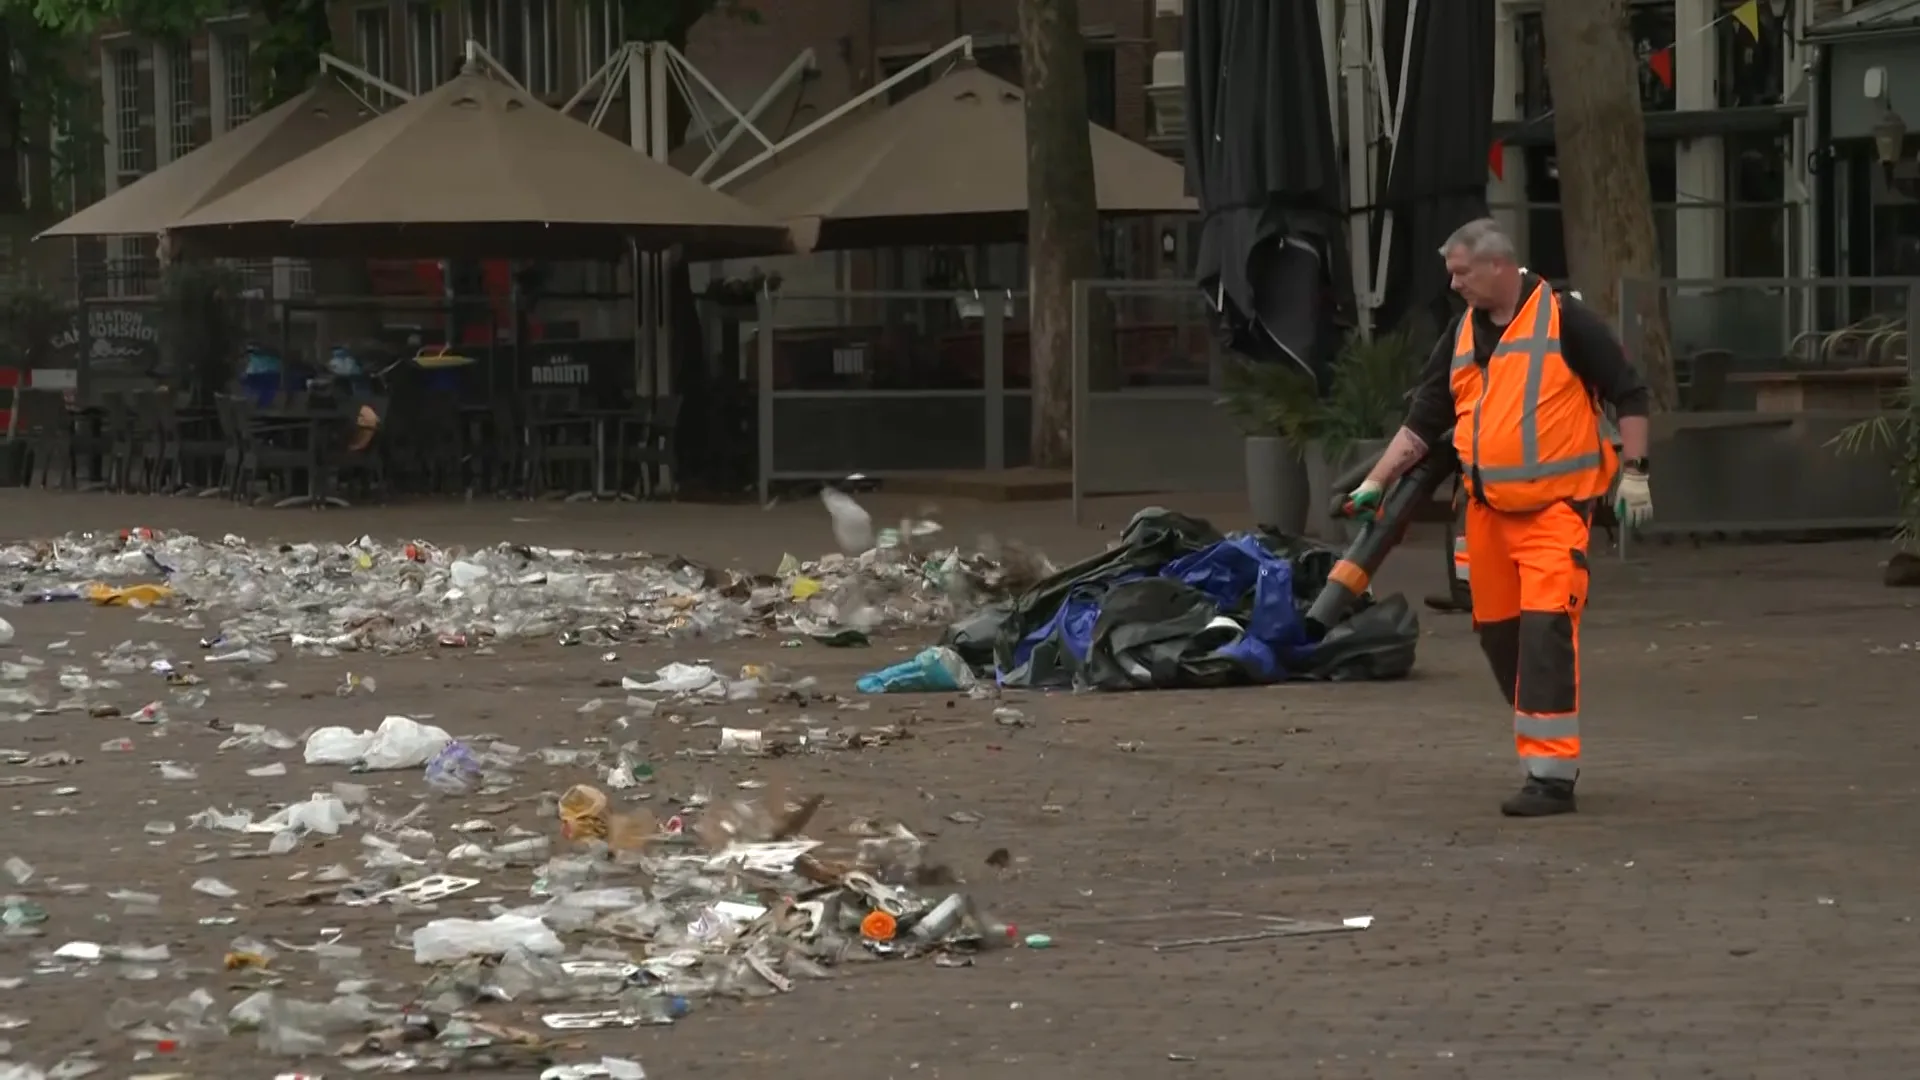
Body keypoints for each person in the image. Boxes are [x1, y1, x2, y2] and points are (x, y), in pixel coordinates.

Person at [1335, 218, 1653, 817]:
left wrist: (1635, 473)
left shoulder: (1566, 320)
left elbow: (1629, 392)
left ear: (1500, 266)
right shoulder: (1459, 333)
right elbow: (1426, 419)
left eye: (1462, 273)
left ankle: (1552, 776)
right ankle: (1540, 729)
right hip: (1487, 514)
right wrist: (1377, 482)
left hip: (1556, 511)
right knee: (1500, 634)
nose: (1454, 285)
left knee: (1545, 631)